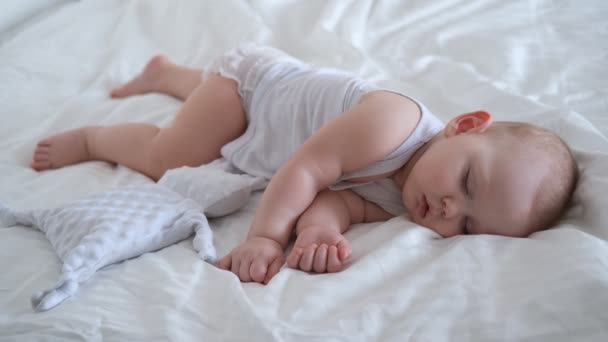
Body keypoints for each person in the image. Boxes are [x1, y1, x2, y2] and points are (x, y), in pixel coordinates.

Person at [30, 46, 578, 284]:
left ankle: (167, 74)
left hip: (255, 116)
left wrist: (318, 231)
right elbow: (307, 171)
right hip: (251, 94)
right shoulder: (396, 122)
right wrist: (268, 237)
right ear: (462, 125)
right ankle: (93, 139)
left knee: (204, 115)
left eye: (468, 225)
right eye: (466, 182)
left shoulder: (409, 200)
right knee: (173, 154)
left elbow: (338, 199)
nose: (448, 210)